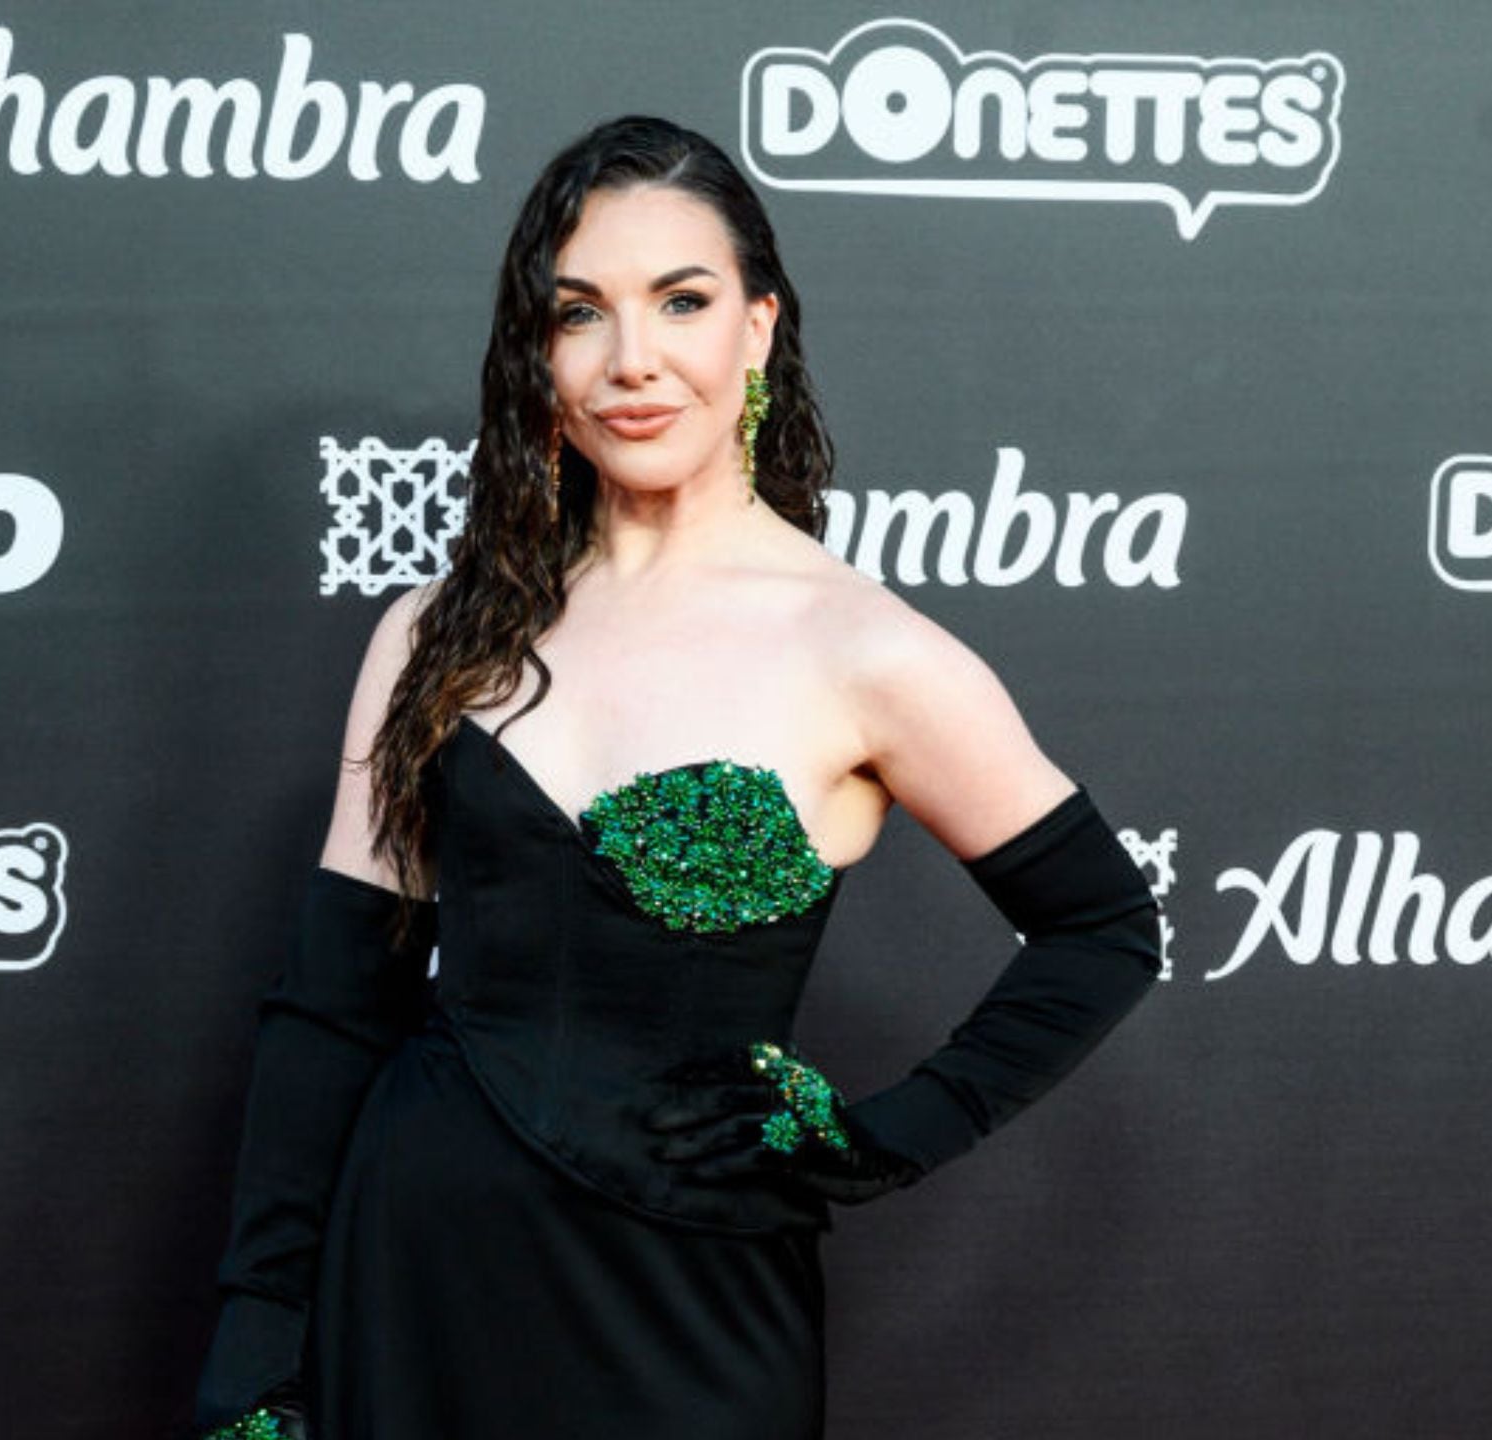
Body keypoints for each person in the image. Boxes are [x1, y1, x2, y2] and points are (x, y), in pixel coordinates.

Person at [191, 114, 1162, 1440]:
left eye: (682, 302)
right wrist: (254, 1353)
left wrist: (887, 1135)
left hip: (693, 1316)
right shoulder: (433, 632)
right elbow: (331, 1011)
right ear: (535, 350)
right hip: (413, 1271)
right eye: (579, 312)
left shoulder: (867, 650)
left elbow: (1104, 927)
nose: (631, 361)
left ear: (757, 330)